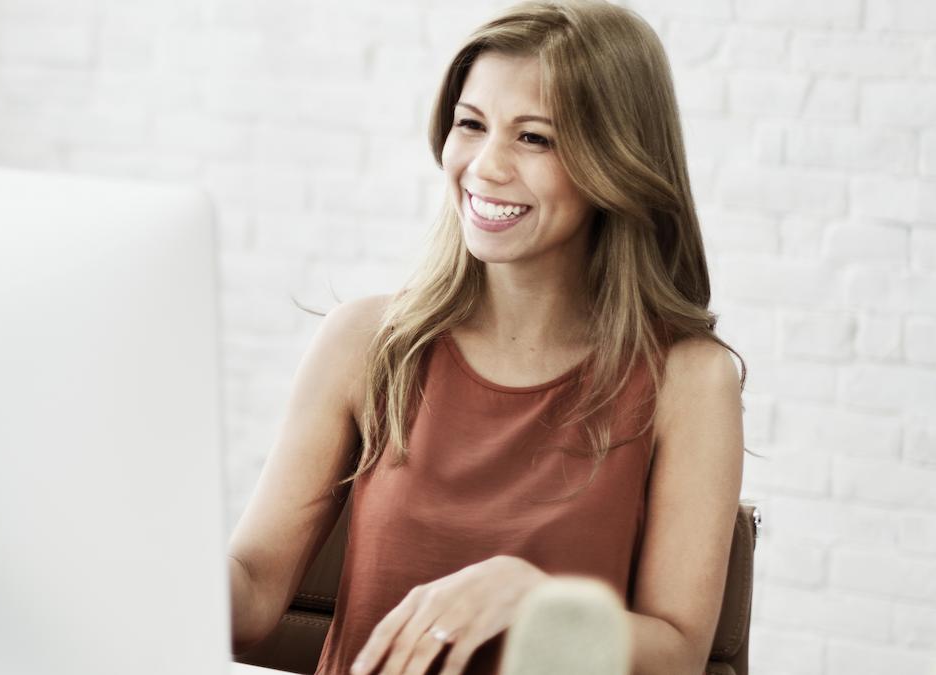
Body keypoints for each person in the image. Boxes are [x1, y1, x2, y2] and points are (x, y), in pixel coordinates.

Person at [226, 1, 746, 674]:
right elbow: (255, 597)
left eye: (535, 138)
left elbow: (678, 656)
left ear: (615, 160)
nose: (485, 166)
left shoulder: (687, 379)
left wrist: (540, 604)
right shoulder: (365, 343)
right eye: (470, 125)